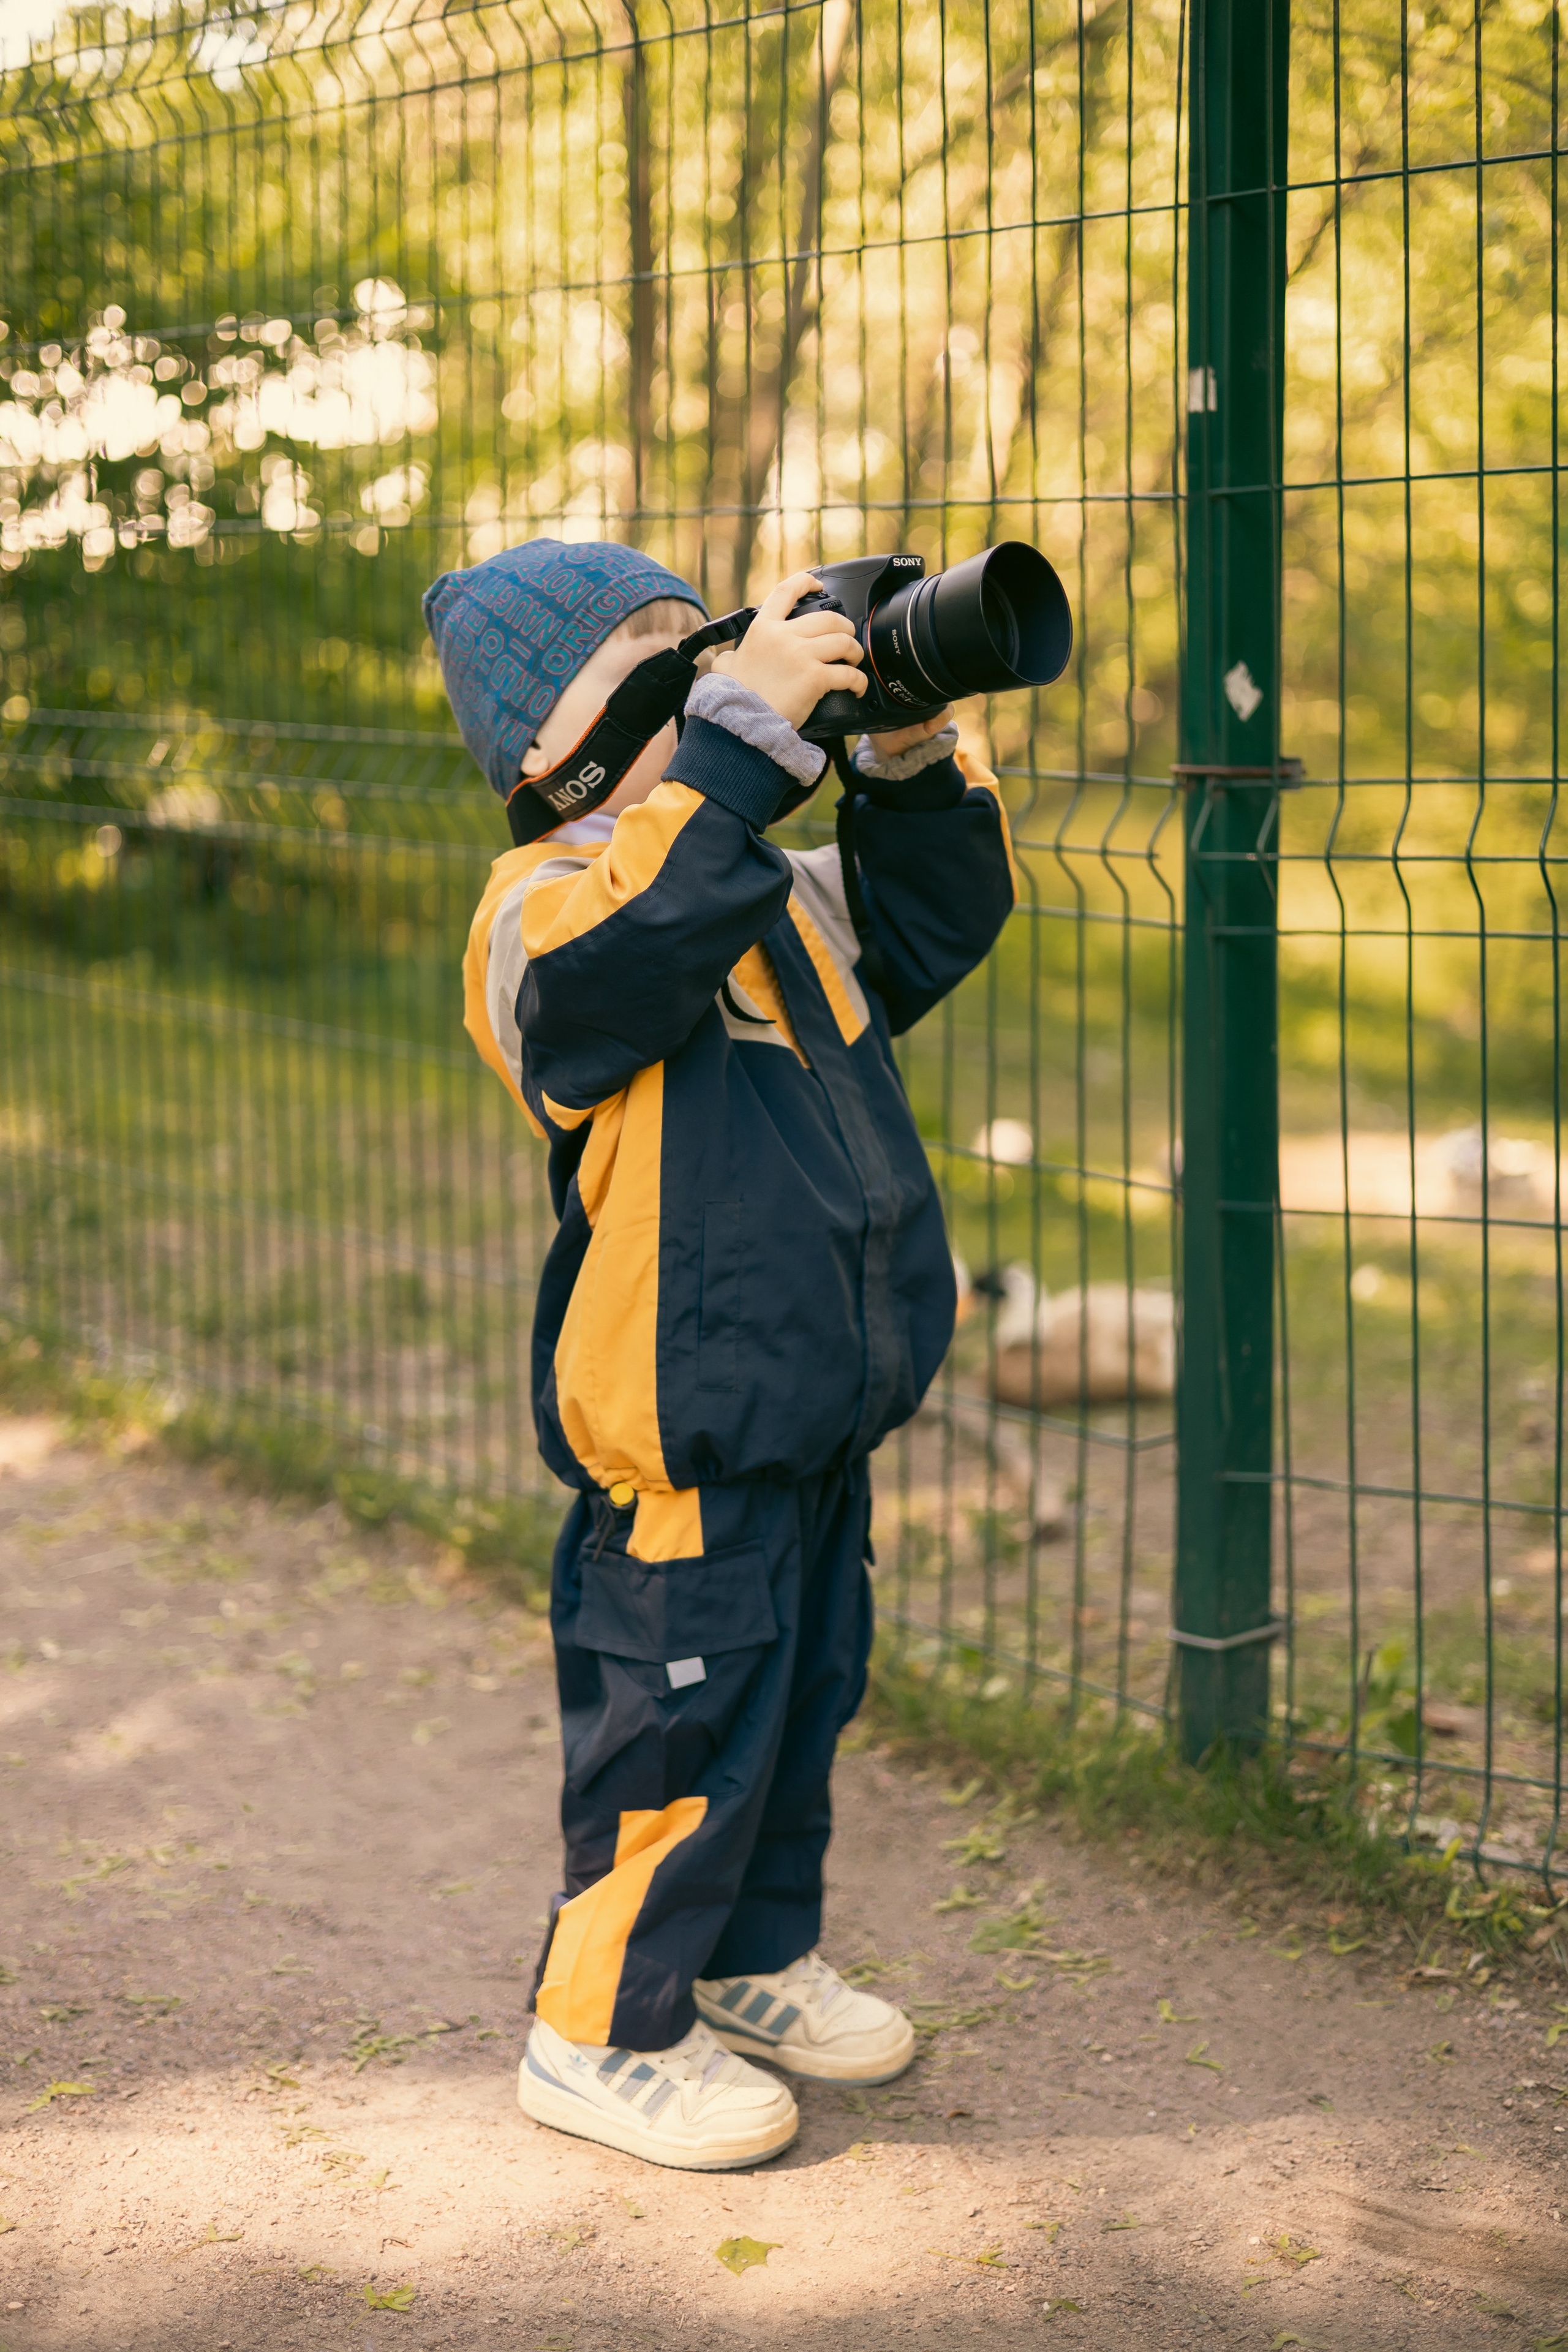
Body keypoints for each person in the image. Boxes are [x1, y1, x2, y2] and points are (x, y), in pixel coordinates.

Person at [423, 535, 1016, 2171]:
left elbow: (930, 923)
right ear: (550, 750)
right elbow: (612, 979)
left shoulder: (766, 890)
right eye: (658, 665)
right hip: (687, 1428)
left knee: (798, 1707)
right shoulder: (540, 915)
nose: (707, 684)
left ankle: (748, 1963)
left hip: (814, 1406)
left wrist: (901, 744)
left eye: (711, 652)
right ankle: (599, 2031)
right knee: (679, 1741)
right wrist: (741, 755)